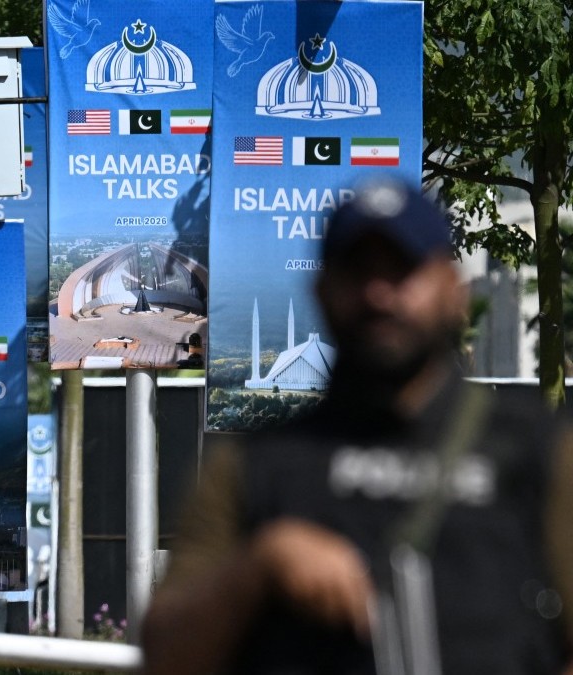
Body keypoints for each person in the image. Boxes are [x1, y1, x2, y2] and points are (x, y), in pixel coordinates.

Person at [142, 176, 573, 674]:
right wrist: (261, 566)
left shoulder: (537, 452)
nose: (379, 295)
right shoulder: (257, 468)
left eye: (402, 270)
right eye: (358, 271)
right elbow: (166, 653)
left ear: (453, 290)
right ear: (322, 292)